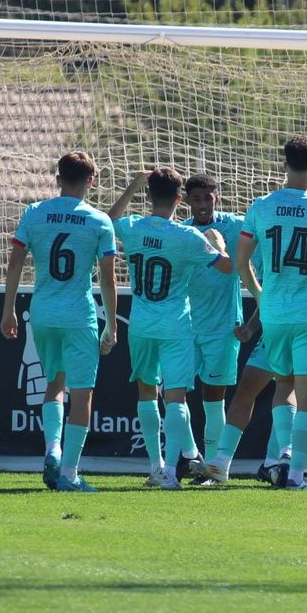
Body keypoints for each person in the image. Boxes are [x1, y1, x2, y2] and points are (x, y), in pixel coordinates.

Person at [202, 135, 307, 488]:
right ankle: (297, 473)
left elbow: (241, 263)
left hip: (275, 314)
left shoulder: (261, 207)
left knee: (284, 384)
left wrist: (261, 296)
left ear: (284, 164)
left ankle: (243, 461)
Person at [108, 167, 234, 488]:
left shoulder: (133, 227)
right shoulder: (187, 236)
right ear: (180, 199)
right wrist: (220, 245)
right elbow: (226, 267)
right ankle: (170, 472)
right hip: (175, 325)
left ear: (149, 195)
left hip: (140, 323)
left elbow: (108, 220)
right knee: (176, 397)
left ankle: (155, 466)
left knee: (147, 392)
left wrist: (131, 187)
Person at [0, 151, 118, 493]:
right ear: (91, 180)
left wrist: (8, 310)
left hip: (43, 313)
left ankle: (52, 448)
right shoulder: (99, 220)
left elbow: (14, 264)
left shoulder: (34, 213)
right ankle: (69, 473)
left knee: (54, 383)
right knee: (82, 393)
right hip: (79, 315)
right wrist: (111, 324)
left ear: (58, 178)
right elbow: (108, 279)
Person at [181, 173, 254, 470]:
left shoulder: (235, 226)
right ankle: (189, 455)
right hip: (185, 325)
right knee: (173, 393)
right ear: (186, 201)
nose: (202, 205)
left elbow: (262, 240)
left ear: (217, 198)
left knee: (213, 398)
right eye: (196, 199)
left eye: (207, 198)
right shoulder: (182, 231)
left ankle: (212, 466)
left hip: (224, 326)